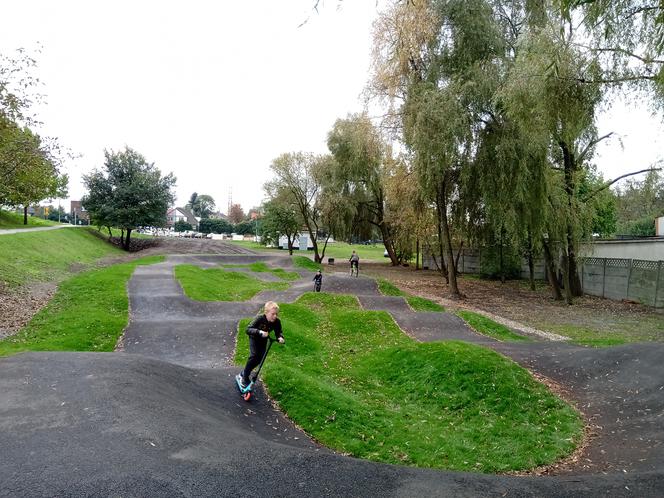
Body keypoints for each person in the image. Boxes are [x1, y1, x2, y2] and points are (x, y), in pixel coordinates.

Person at [237, 301, 285, 389]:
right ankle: (244, 378)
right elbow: (248, 329)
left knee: (260, 359)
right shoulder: (259, 318)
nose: (275, 316)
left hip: (263, 340)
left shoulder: (277, 322)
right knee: (254, 356)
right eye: (273, 314)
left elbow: (279, 332)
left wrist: (280, 337)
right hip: (254, 338)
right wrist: (259, 332)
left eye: (276, 314)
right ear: (266, 312)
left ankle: (244, 372)